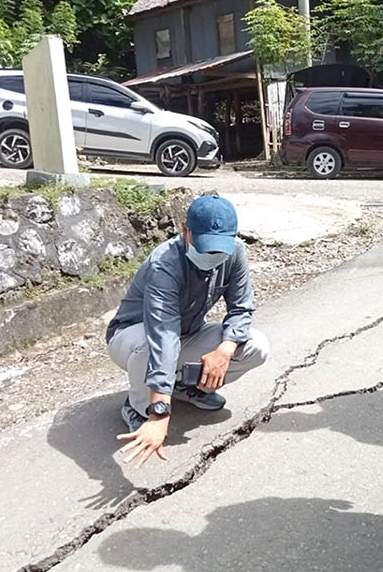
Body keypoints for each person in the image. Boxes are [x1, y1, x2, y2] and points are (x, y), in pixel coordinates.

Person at [106, 195, 270, 466]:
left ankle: (184, 386)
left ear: (235, 235)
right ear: (185, 230)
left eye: (219, 248)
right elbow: (164, 335)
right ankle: (137, 407)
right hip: (135, 335)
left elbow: (241, 309)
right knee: (149, 347)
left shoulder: (237, 252)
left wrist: (225, 350)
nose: (212, 256)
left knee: (256, 346)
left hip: (189, 332)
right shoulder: (164, 263)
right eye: (205, 246)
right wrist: (159, 412)